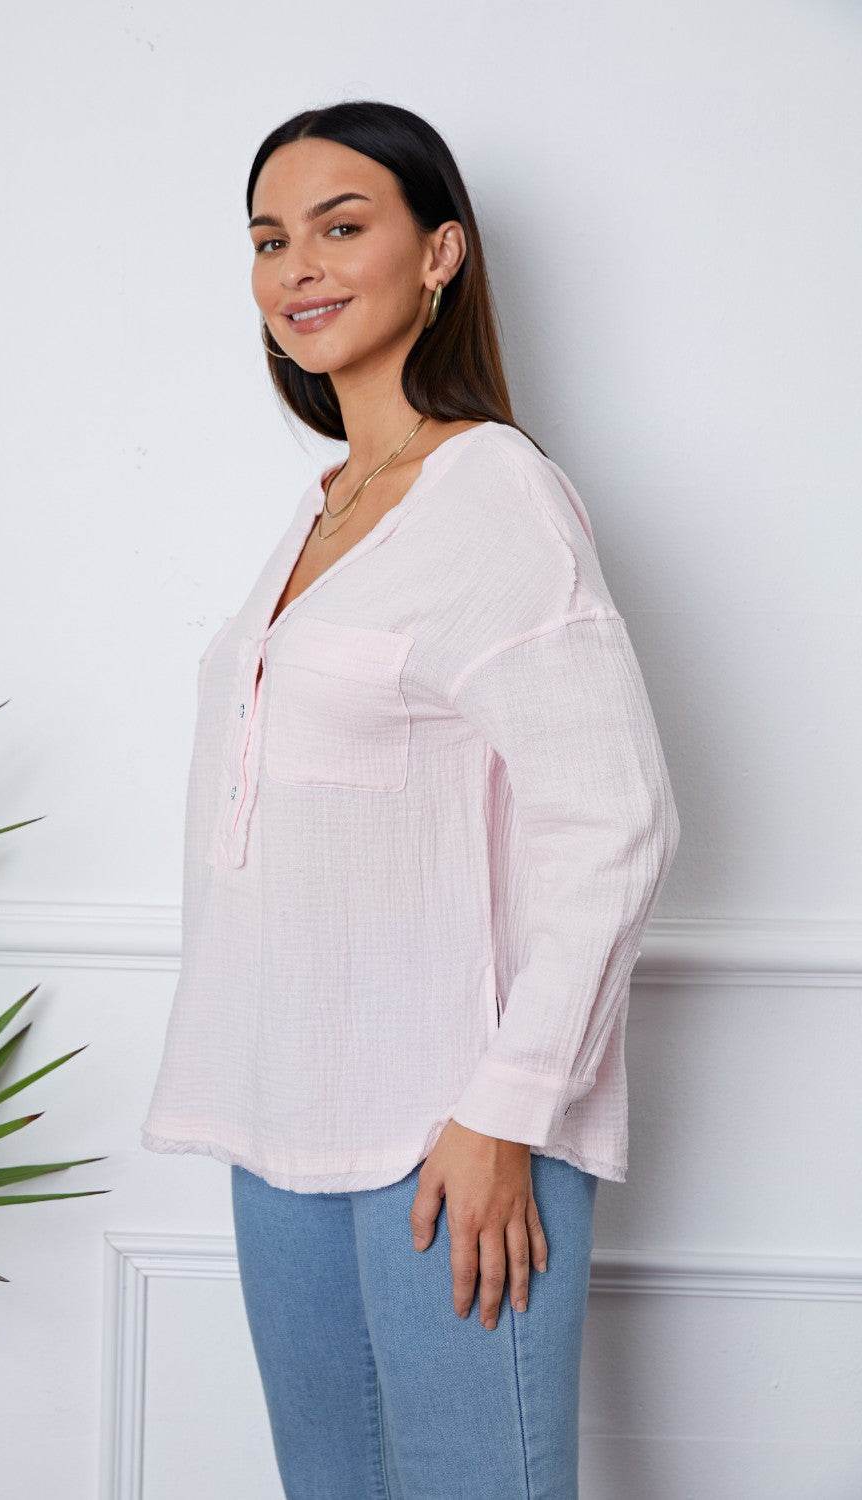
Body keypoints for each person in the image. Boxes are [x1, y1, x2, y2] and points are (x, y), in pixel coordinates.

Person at [141, 99, 680, 1499]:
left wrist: (505, 1114)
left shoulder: (495, 495)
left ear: (441, 254)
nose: (297, 268)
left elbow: (616, 826)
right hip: (277, 1116)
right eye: (270, 239)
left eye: (341, 226)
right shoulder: (325, 506)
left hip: (453, 1132)